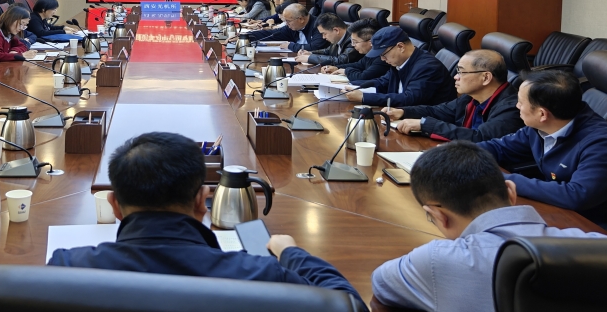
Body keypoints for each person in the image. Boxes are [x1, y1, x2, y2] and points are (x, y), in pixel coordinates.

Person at [48, 132, 366, 308]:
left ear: (115, 206)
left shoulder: (66, 270)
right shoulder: (262, 275)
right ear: (203, 201)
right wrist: (292, 254)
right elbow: (348, 304)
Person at [371, 141, 607, 312]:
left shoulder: (435, 260)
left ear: (438, 216)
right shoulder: (602, 248)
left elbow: (381, 284)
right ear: (511, 192)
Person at [478, 70, 607, 226]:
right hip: (564, 213)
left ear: (542, 114)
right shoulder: (540, 126)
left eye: (520, 102)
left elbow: (576, 195)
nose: (517, 106)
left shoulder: (604, 145)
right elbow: (499, 147)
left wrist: (500, 179)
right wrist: (463, 154)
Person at [382, 49, 523, 142]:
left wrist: (425, 125)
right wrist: (403, 112)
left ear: (486, 78)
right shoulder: (471, 98)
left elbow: (480, 138)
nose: (456, 77)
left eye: (462, 72)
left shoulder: (511, 108)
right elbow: (437, 111)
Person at [346, 26, 456, 106]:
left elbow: (409, 99)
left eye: (383, 54)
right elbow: (382, 82)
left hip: (426, 123)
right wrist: (351, 85)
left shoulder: (427, 67)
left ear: (400, 47)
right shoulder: (400, 62)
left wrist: (364, 97)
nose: (382, 59)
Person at [320, 19, 391, 83]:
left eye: (355, 42)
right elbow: (359, 65)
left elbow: (363, 77)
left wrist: (346, 71)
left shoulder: (383, 58)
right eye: (352, 41)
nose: (353, 45)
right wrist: (336, 68)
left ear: (371, 42)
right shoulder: (369, 53)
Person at [240, 4, 326, 52]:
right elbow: (272, 34)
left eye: (288, 21)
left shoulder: (319, 26)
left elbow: (315, 47)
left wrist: (291, 46)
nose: (286, 24)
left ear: (301, 19)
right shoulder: (292, 27)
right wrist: (245, 36)